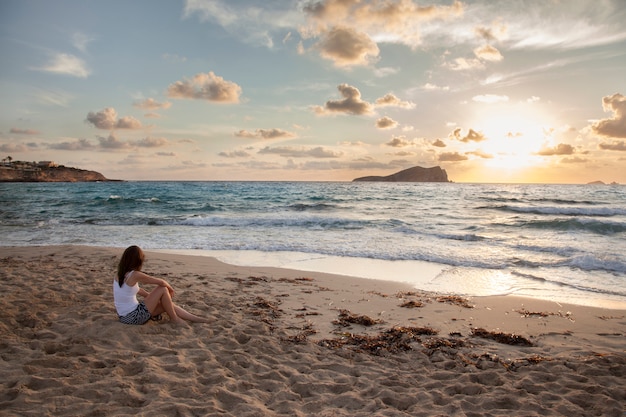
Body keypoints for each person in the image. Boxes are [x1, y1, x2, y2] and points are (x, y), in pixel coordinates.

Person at [113, 245, 209, 325]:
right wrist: (170, 289)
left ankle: (197, 319)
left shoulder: (119, 274)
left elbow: (137, 290)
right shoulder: (135, 275)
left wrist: (155, 299)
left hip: (124, 317)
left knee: (168, 304)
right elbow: (161, 282)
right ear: (138, 260)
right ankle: (175, 319)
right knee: (162, 289)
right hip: (134, 316)